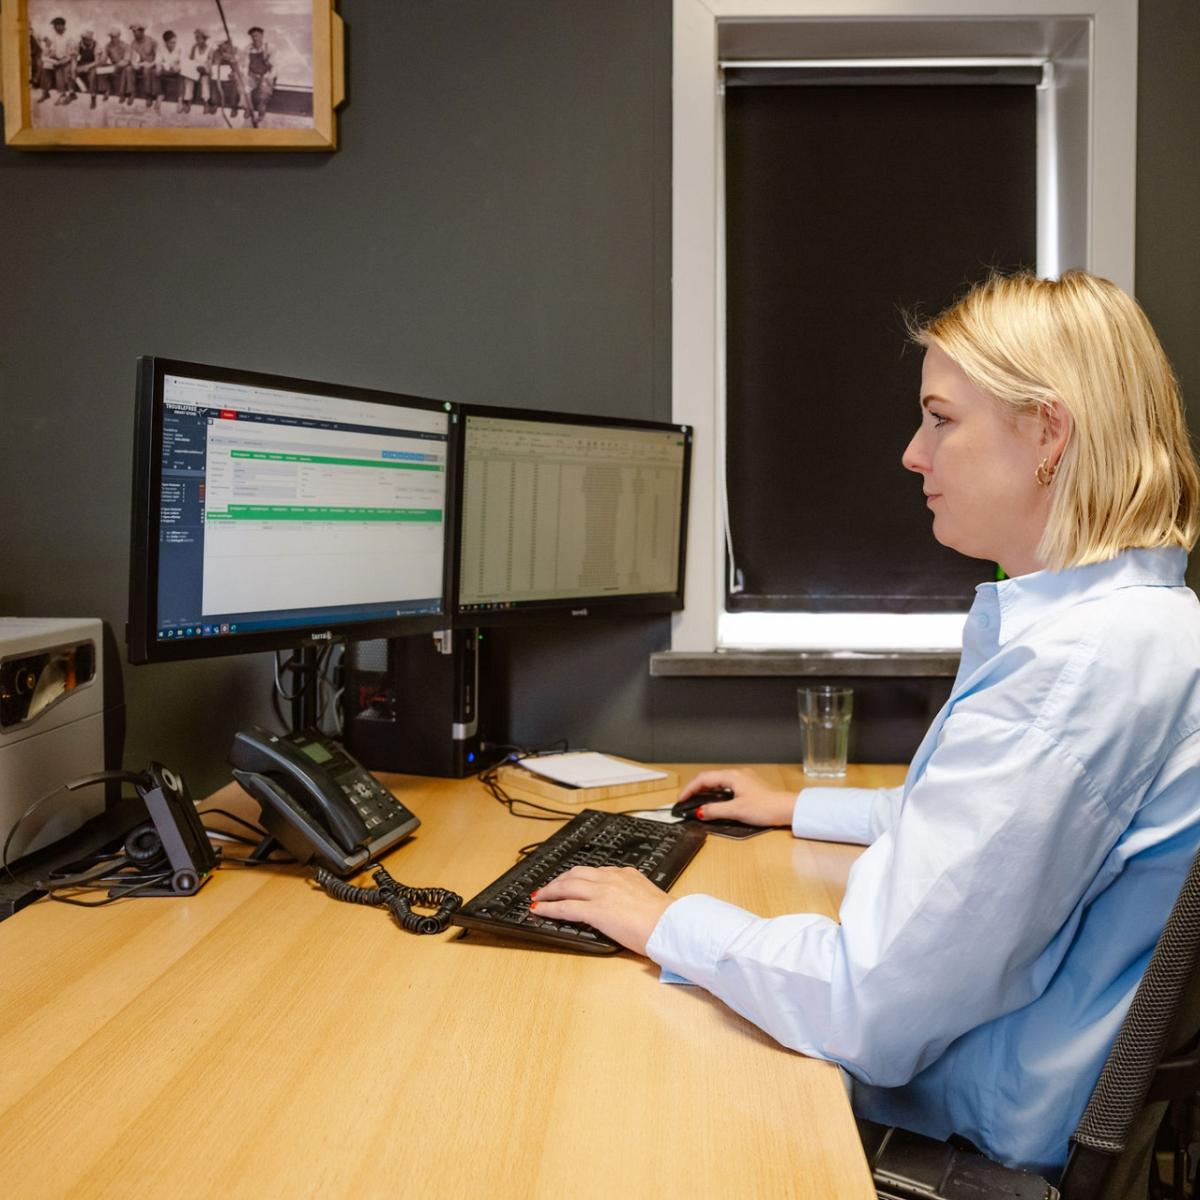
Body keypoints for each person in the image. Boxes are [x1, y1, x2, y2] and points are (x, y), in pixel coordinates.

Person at [533, 270, 1200, 1179]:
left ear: (1047, 432)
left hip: (969, 1120)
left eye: (941, 418)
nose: (912, 454)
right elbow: (985, 835)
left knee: (605, 1098)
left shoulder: (1072, 673)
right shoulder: (1136, 626)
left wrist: (666, 922)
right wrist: (795, 807)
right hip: (1016, 1071)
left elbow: (866, 1005)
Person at [38, 16, 76, 105]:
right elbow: (54, 50)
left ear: (62, 26)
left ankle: (71, 94)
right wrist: (48, 55)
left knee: (66, 70)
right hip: (59, 60)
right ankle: (47, 93)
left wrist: (61, 61)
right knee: (46, 67)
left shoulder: (70, 36)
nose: (55, 28)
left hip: (70, 60)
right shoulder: (55, 36)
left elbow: (72, 54)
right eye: (54, 26)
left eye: (56, 26)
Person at [243, 26, 275, 126]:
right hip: (252, 75)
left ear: (262, 36)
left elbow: (275, 65)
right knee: (244, 89)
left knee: (263, 95)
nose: (255, 38)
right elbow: (245, 65)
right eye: (252, 36)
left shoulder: (269, 47)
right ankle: (249, 108)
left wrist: (269, 77)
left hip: (266, 75)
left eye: (257, 36)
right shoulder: (248, 48)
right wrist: (245, 76)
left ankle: (261, 115)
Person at [180, 29, 212, 114]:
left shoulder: (210, 49)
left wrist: (204, 69)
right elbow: (191, 60)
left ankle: (206, 103)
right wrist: (190, 67)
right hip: (195, 70)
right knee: (188, 79)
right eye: (196, 38)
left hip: (205, 71)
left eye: (198, 38)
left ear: (204, 39)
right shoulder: (194, 47)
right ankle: (188, 101)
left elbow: (210, 64)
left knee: (205, 81)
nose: (196, 40)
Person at [127, 23, 157, 109]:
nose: (134, 34)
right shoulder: (133, 43)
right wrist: (134, 64)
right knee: (129, 69)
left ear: (142, 31)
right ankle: (132, 92)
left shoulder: (151, 41)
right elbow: (132, 57)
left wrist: (151, 64)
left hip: (151, 65)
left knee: (146, 70)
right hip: (141, 64)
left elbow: (159, 56)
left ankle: (148, 95)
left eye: (135, 32)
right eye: (133, 32)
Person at [73, 29, 102, 109]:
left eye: (90, 39)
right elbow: (74, 58)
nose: (89, 41)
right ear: (83, 39)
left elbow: (97, 61)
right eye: (87, 39)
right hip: (82, 63)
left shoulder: (96, 45)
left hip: (93, 64)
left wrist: (88, 67)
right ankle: (82, 89)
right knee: (72, 72)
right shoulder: (79, 44)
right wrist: (75, 67)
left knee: (92, 75)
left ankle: (93, 97)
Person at [156, 30, 182, 113]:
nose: (173, 44)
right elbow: (158, 61)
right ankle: (160, 95)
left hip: (177, 71)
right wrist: (161, 67)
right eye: (171, 43)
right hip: (166, 70)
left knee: (182, 75)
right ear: (166, 42)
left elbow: (182, 62)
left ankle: (180, 99)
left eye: (175, 42)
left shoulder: (180, 48)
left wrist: (176, 67)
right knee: (157, 72)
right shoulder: (161, 48)